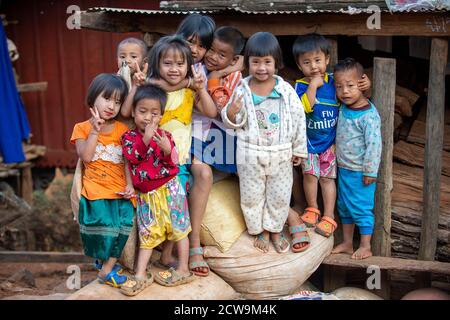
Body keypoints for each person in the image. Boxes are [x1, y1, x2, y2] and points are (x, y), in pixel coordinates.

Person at [222, 32, 308, 254]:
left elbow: (299, 119)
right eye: (256, 62)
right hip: (250, 154)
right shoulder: (241, 90)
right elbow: (234, 122)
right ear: (247, 62)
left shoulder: (286, 91)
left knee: (279, 195)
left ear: (276, 62)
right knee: (252, 195)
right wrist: (230, 113)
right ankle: (260, 229)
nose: (262, 68)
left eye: (267, 62)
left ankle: (275, 228)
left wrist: (298, 148)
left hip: (280, 153)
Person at [292, 33, 371, 239]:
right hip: (308, 144)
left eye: (318, 60)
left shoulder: (334, 83)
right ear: (299, 66)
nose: (314, 67)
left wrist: (365, 86)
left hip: (329, 145)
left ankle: (328, 217)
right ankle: (312, 209)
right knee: (309, 176)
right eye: (307, 62)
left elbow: (350, 95)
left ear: (327, 59)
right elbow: (305, 108)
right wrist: (312, 86)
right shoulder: (300, 85)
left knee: (327, 180)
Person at [119, 84, 195, 295]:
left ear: (161, 115)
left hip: (170, 189)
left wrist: (167, 149)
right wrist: (146, 138)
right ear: (133, 112)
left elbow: (174, 163)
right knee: (148, 234)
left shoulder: (165, 136)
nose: (148, 118)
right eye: (142, 112)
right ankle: (140, 274)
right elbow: (134, 157)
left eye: (154, 113)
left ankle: (183, 269)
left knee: (179, 229)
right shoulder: (128, 138)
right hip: (147, 195)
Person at [70, 73, 133, 288]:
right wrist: (95, 131)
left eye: (117, 102)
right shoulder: (81, 128)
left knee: (124, 226)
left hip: (120, 190)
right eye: (107, 98)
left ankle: (106, 269)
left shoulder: (123, 130)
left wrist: (130, 185)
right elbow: (86, 157)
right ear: (93, 97)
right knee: (104, 228)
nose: (112, 106)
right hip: (95, 190)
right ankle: (105, 266)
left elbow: (127, 163)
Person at [331, 58, 382, 260]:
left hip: (361, 172)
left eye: (350, 86)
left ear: (361, 84)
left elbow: (374, 145)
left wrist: (370, 171)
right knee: (344, 207)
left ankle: (365, 245)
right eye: (339, 87)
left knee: (361, 208)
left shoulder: (369, 116)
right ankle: (346, 242)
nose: (344, 91)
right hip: (343, 168)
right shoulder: (343, 107)